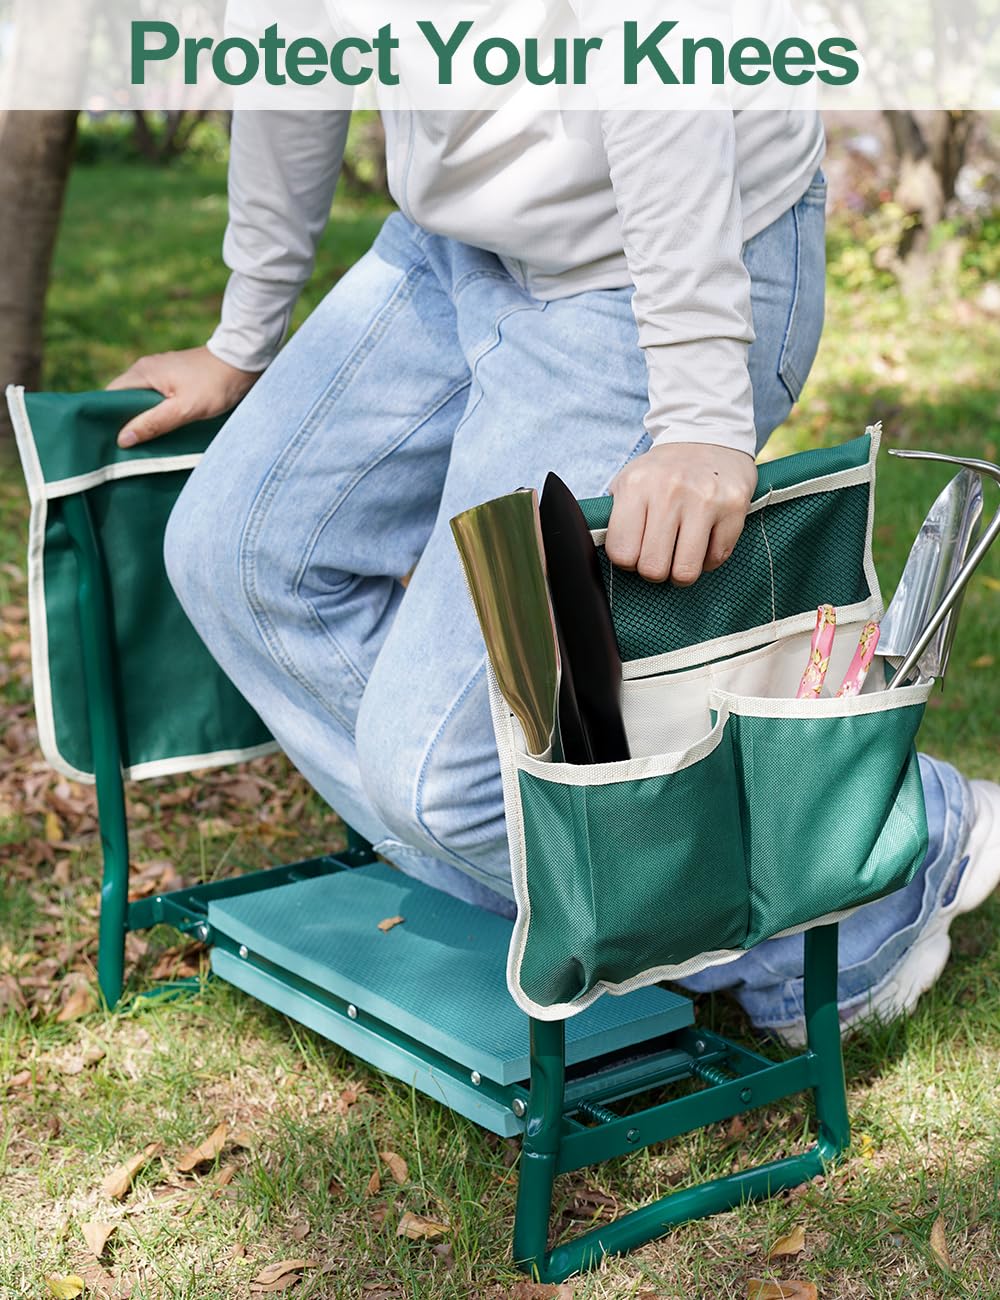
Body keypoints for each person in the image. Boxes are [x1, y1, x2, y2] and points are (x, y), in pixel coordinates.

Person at [108, 103, 1000, 1044]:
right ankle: (571, 891)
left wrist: (698, 408)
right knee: (233, 558)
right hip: (452, 239)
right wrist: (243, 333)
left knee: (441, 784)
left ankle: (884, 848)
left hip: (662, 249)